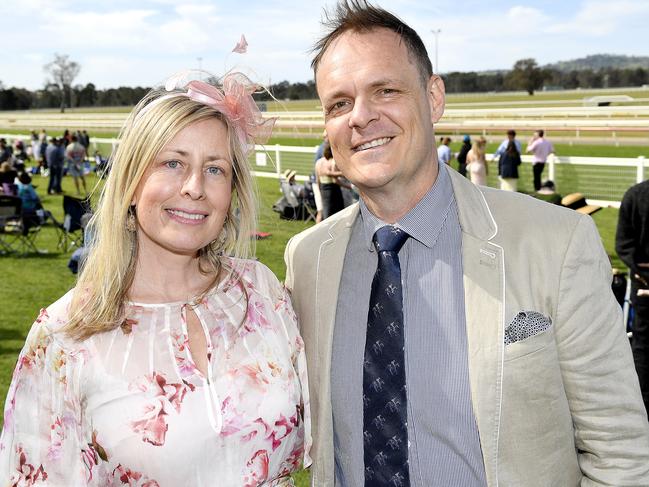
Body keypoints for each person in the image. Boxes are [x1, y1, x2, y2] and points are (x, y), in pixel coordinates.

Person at [284, 2, 649, 486]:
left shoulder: (556, 243)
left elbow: (620, 451)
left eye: (385, 90)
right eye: (339, 103)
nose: (361, 117)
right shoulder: (307, 258)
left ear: (434, 98)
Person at [0, 71, 311, 485]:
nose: (195, 187)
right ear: (130, 182)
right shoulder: (63, 337)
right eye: (172, 163)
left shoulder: (260, 289)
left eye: (215, 169)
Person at [616, 179, 649, 418]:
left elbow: (624, 246)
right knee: (643, 350)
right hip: (644, 288)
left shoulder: (634, 194)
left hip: (643, 284)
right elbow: (625, 245)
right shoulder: (635, 196)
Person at [315, 140, 345, 219]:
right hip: (333, 188)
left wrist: (319, 189)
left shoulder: (318, 162)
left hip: (322, 187)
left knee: (326, 211)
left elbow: (317, 179)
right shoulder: (332, 162)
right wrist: (342, 174)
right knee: (337, 211)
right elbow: (334, 180)